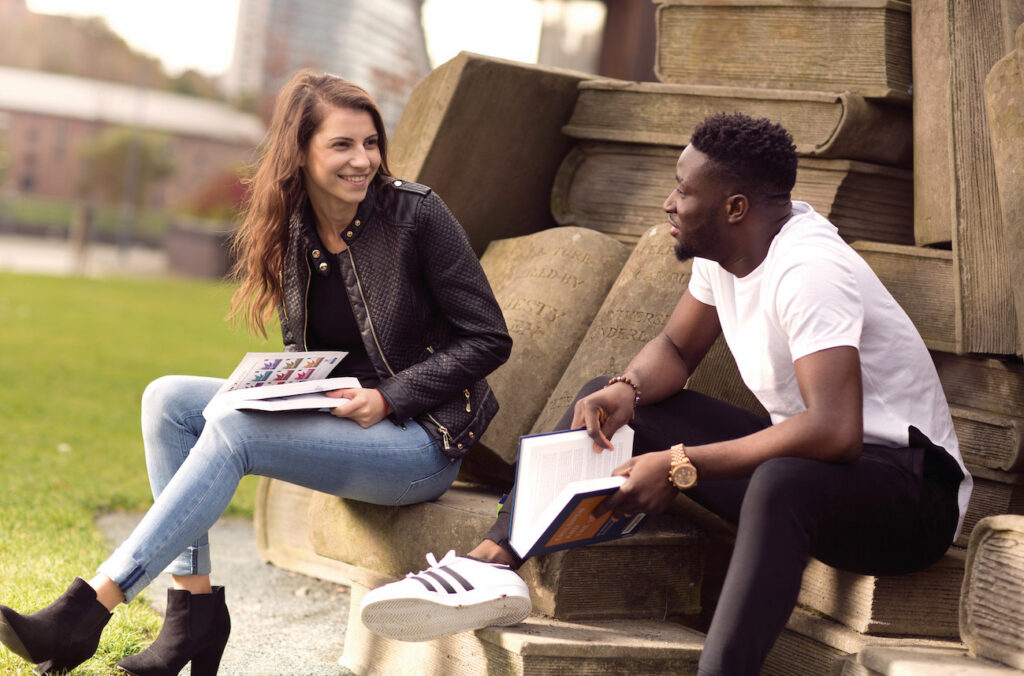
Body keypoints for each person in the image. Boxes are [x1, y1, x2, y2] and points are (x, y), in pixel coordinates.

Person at [359, 113, 972, 675]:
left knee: (782, 480)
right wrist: (626, 388)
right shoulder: (729, 251)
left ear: (734, 207)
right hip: (821, 469)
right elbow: (677, 353)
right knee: (608, 398)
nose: (669, 201)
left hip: (911, 497)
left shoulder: (808, 271)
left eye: (684, 190)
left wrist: (680, 465)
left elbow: (834, 431)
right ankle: (493, 562)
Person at [0, 70, 511, 676]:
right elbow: (323, 351)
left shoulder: (416, 216)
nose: (364, 160)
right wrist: (283, 386)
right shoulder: (297, 225)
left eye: (370, 142)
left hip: (421, 443)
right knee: (167, 399)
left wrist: (389, 397)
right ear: (300, 151)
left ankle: (88, 610)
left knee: (235, 431)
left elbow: (488, 337)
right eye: (342, 145)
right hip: (342, 418)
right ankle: (194, 614)